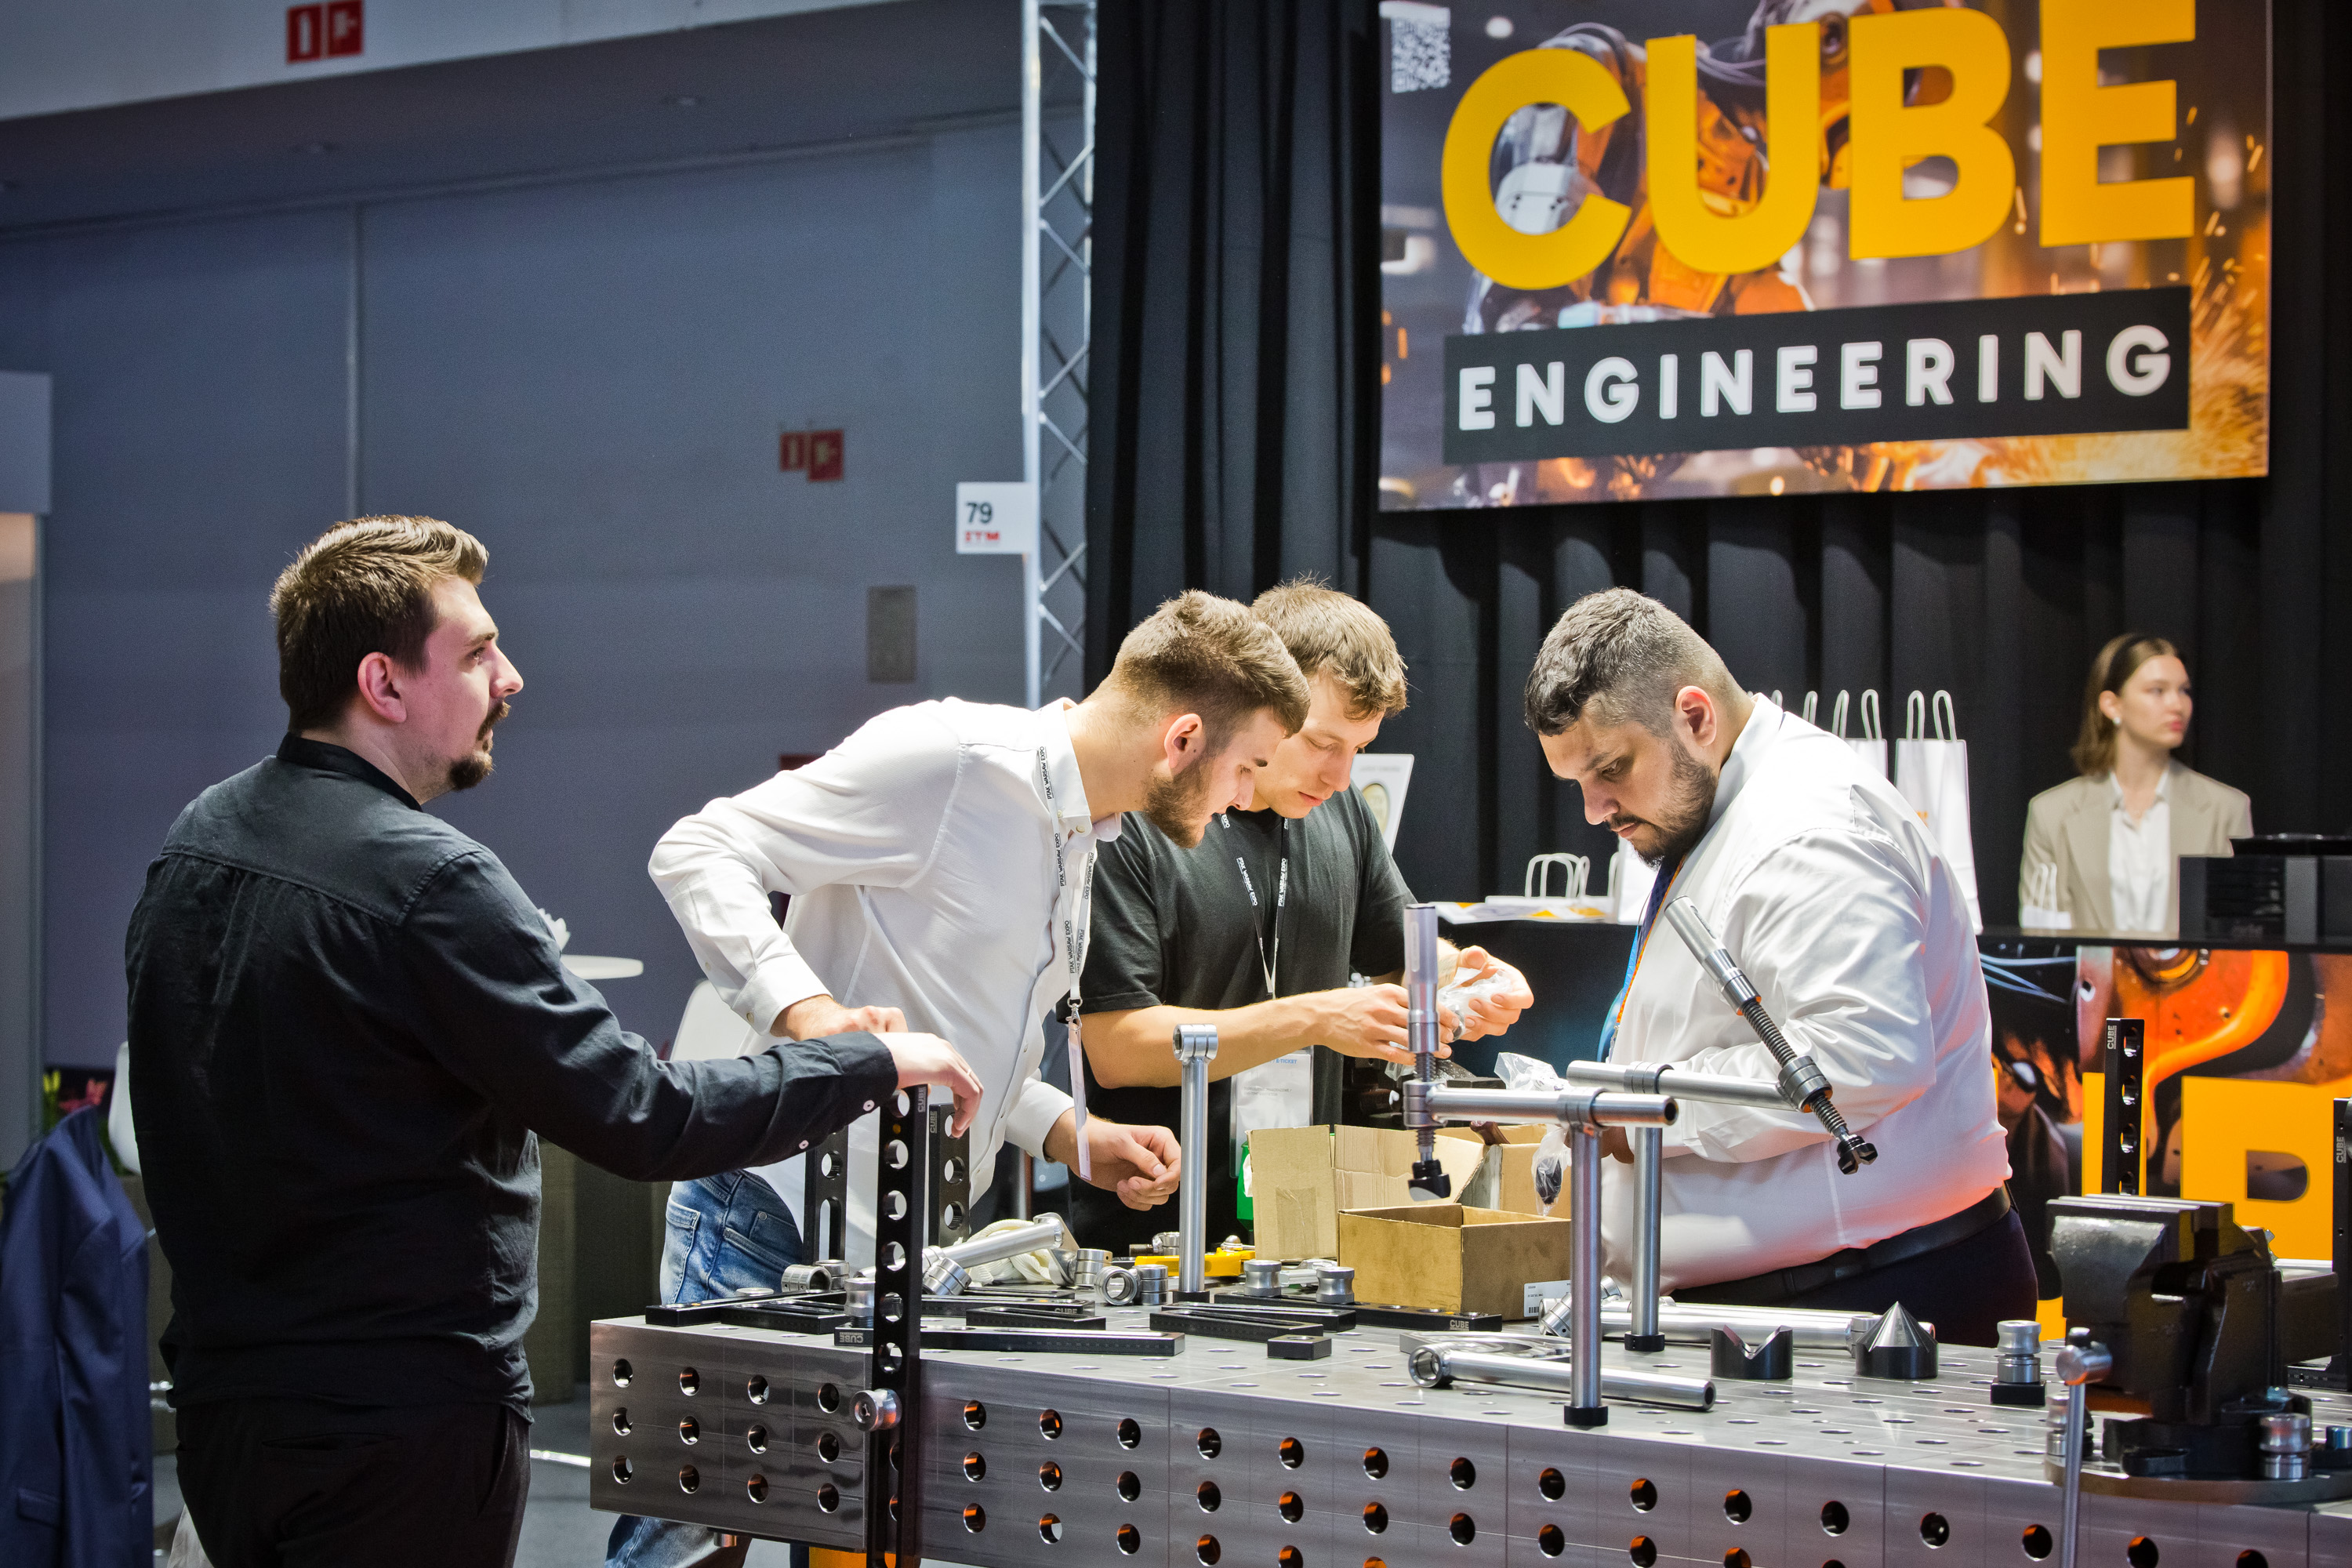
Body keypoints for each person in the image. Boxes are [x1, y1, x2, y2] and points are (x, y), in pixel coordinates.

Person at [125, 517, 982, 1568]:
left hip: (228, 1411)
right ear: (383, 684)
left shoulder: (198, 840)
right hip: (396, 1435)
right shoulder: (433, 883)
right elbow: (645, 1116)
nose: (511, 677)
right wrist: (865, 1062)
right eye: (478, 653)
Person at [614, 588, 1309, 1568]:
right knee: (685, 1549)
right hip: (769, 1214)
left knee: (856, 1534)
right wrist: (810, 1015)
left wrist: (1073, 1133)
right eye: (1248, 767)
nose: (1244, 797)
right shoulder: (949, 760)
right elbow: (698, 848)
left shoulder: (1085, 834)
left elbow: (971, 1041)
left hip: (897, 1249)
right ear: (1184, 738)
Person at [1524, 588, 2027, 1346]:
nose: (1596, 810)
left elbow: (1865, 1056)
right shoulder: (1729, 807)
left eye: (1612, 769)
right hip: (1813, 1299)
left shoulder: (1810, 827)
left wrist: (1650, 1109)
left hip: (1870, 1302)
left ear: (1695, 717)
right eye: (1579, 785)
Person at [1075, 582, 1534, 1253]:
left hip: (1304, 1232)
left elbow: (1403, 958)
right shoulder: (1141, 817)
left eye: (1359, 749)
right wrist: (1316, 1019)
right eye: (1322, 743)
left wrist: (1468, 980)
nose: (1340, 776)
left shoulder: (1340, 813)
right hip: (1154, 1235)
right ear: (1269, 705)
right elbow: (1116, 1048)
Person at [2020, 633, 2252, 938]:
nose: (2177, 705)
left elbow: (2239, 937)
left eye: (2184, 691)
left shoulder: (2226, 809)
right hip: (2087, 971)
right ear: (2112, 705)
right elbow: (2042, 939)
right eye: (2157, 691)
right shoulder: (2052, 814)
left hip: (2194, 971)